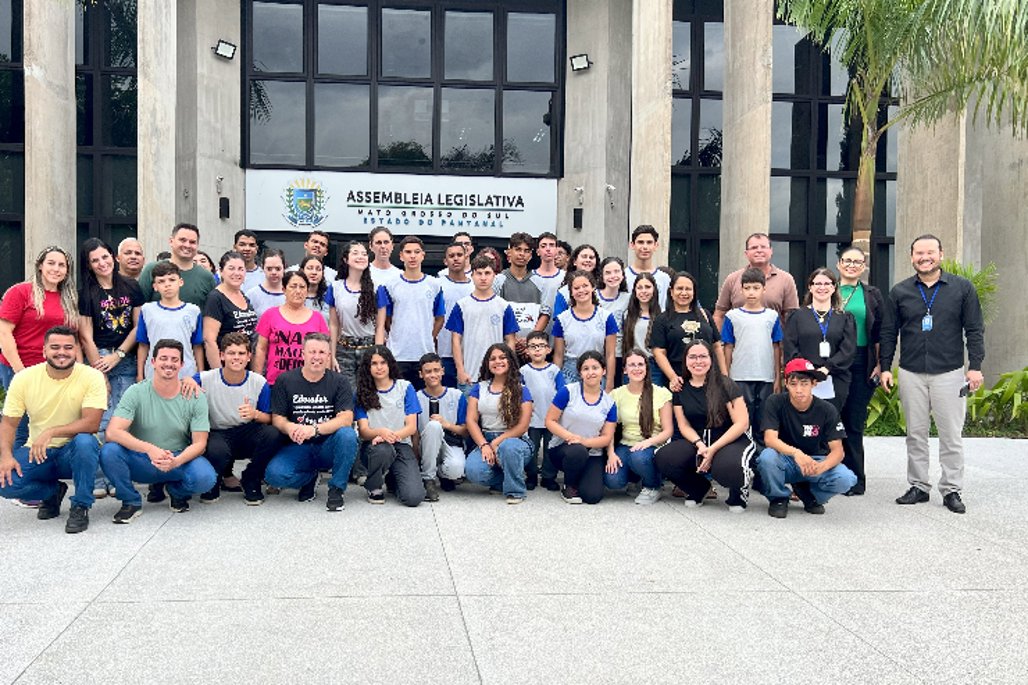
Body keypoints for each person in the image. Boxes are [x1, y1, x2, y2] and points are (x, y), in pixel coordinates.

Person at [880, 234, 985, 514]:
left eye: (930, 252)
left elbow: (974, 330)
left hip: (950, 372)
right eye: (919, 253)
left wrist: (975, 366)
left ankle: (952, 489)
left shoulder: (962, 289)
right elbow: (889, 332)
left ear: (941, 254)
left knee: (951, 435)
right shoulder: (900, 292)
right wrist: (886, 367)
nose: (924, 258)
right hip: (911, 371)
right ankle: (918, 486)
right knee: (915, 434)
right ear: (911, 256)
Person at [0, 327, 106, 533]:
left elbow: (92, 423)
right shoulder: (24, 378)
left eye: (68, 347)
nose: (62, 352)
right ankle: (52, 492)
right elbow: (9, 423)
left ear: (77, 350)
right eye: (55, 347)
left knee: (86, 441)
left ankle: (81, 505)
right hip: (38, 451)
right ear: (44, 351)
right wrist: (5, 456)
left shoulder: (92, 376)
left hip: (74, 453)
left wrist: (51, 432)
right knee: (6, 483)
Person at [100, 338, 216, 522]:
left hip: (177, 457)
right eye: (163, 358)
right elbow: (113, 432)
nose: (168, 363)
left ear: (181, 364)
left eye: (174, 359)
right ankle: (131, 501)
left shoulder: (195, 395)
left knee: (205, 478)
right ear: (153, 362)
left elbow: (200, 444)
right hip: (143, 458)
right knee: (109, 452)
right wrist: (150, 449)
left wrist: (176, 462)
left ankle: (176, 492)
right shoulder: (136, 392)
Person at [77, 237, 144, 498]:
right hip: (98, 358)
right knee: (100, 422)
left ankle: (119, 478)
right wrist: (98, 371)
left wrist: (119, 354)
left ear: (113, 257)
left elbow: (139, 326)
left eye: (104, 257)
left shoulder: (131, 286)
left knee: (121, 421)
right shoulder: (86, 293)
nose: (102, 263)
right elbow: (85, 334)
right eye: (95, 260)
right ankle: (98, 480)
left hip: (124, 357)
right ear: (89, 265)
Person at [655, 340, 756, 511]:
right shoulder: (681, 388)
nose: (698, 361)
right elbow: (684, 425)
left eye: (703, 356)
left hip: (731, 440)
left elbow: (742, 423)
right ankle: (699, 489)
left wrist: (713, 449)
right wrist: (700, 445)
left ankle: (739, 492)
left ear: (711, 359)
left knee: (726, 468)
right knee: (664, 458)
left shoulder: (725, 384)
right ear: (685, 361)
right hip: (700, 441)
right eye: (692, 357)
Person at [265, 333, 359, 511]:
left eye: (322, 352)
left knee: (347, 434)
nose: (317, 357)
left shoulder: (339, 382)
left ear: (329, 356)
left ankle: (337, 489)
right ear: (302, 354)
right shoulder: (285, 380)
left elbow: (346, 418)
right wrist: (289, 426)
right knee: (274, 476)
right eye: (312, 352)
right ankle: (310, 478)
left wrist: (314, 429)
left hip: (328, 446)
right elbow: (277, 418)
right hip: (297, 446)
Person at [0, 246, 79, 450]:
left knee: (48, 426)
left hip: (54, 372)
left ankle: (42, 478)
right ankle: (15, 477)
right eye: (51, 263)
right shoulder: (21, 292)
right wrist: (20, 371)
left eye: (62, 265)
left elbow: (73, 339)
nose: (56, 269)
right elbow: (4, 332)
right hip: (20, 367)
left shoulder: (69, 298)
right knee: (21, 425)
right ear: (40, 266)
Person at [755, 358, 856, 518]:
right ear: (786, 384)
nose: (799, 389)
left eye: (804, 383)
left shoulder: (827, 409)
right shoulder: (775, 402)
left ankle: (810, 495)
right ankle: (779, 498)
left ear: (814, 384)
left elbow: (838, 452)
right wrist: (796, 454)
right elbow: (770, 439)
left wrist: (820, 468)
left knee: (847, 479)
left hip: (815, 460)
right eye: (793, 384)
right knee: (767, 457)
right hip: (786, 460)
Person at [195, 332, 282, 505]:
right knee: (216, 450)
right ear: (222, 356)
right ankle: (214, 480)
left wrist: (254, 414)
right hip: (218, 431)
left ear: (249, 357)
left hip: (246, 430)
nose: (236, 357)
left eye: (241, 353)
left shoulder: (259, 382)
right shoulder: (205, 378)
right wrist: (188, 382)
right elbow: (180, 384)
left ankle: (251, 477)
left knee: (273, 433)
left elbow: (269, 418)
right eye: (231, 353)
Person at [835, 246, 885, 496]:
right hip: (832, 362)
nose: (852, 265)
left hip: (861, 360)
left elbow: (879, 332)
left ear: (863, 266)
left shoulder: (872, 294)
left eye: (857, 262)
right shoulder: (827, 289)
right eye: (847, 260)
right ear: (838, 264)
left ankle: (856, 479)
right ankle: (830, 475)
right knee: (831, 419)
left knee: (853, 422)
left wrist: (880, 363)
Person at [353, 345, 425, 506]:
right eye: (374, 363)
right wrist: (381, 432)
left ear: (390, 364)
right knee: (383, 450)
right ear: (367, 367)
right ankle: (374, 486)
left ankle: (393, 478)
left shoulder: (405, 387)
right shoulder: (361, 392)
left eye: (383, 362)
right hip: (374, 447)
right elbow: (364, 431)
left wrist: (391, 436)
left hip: (401, 444)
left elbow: (411, 427)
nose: (379, 367)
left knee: (414, 498)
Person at [720, 268, 783, 445]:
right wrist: (726, 376)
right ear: (741, 290)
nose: (751, 292)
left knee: (763, 417)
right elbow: (728, 346)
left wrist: (778, 377)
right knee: (743, 418)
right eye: (747, 288)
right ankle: (742, 452)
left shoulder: (772, 316)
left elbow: (776, 346)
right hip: (739, 376)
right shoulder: (732, 316)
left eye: (756, 288)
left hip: (765, 376)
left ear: (764, 289)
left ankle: (762, 454)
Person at [464, 344, 534, 504]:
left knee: (508, 448)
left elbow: (522, 426)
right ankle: (507, 477)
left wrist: (496, 443)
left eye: (502, 357)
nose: (498, 361)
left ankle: (515, 491)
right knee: (473, 471)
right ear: (487, 363)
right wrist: (484, 445)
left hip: (516, 441)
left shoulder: (521, 390)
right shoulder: (479, 388)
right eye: (493, 358)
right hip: (486, 439)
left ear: (510, 361)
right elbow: (471, 421)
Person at [545, 351, 617, 504]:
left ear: (603, 371)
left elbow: (606, 438)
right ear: (580, 372)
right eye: (586, 369)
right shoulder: (568, 392)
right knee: (577, 452)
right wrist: (571, 438)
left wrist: (582, 441)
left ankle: (581, 478)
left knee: (592, 496)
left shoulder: (609, 403)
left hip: (592, 452)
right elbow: (550, 421)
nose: (590, 372)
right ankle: (569, 485)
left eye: (595, 368)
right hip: (563, 449)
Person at [782, 268, 856, 412]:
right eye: (817, 284)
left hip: (835, 377)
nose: (822, 288)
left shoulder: (845, 318)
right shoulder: (796, 316)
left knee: (830, 421)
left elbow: (848, 349)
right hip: (803, 379)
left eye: (827, 284)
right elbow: (790, 347)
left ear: (834, 287)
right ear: (810, 287)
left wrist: (827, 368)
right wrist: (809, 372)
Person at [375, 236, 445, 389]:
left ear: (423, 255)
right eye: (408, 252)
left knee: (424, 402)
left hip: (425, 354)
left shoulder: (434, 285)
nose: (412, 256)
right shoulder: (389, 285)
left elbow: (439, 318)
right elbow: (386, 319)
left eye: (416, 252)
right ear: (401, 256)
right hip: (398, 354)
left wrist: (428, 335)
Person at [606, 349, 673, 505]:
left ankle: (653, 486)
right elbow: (608, 429)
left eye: (640, 364)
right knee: (612, 481)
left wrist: (647, 443)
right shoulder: (616, 394)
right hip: (626, 444)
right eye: (632, 365)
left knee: (639, 458)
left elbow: (668, 430)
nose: (636, 368)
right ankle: (635, 478)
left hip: (652, 444)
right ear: (625, 370)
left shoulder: (661, 393)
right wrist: (611, 454)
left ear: (646, 368)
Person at [446, 255, 519, 389]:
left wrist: (507, 370)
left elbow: (510, 340)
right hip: (469, 377)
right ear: (472, 275)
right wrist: (461, 371)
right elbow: (455, 340)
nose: (483, 277)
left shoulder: (503, 306)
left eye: (487, 273)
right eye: (479, 273)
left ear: (494, 276)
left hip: (497, 378)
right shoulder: (462, 305)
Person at [651, 271, 725, 392]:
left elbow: (716, 346)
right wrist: (673, 377)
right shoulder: (662, 319)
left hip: (707, 380)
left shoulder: (704, 314)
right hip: (679, 381)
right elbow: (658, 352)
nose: (684, 293)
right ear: (671, 291)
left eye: (688, 289)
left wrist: (724, 376)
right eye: (679, 288)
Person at [253, 270, 329, 386]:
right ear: (284, 289)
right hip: (276, 382)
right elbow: (261, 349)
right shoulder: (270, 315)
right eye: (293, 286)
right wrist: (257, 381)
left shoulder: (318, 318)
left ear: (307, 290)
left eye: (302, 287)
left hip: (309, 384)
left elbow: (326, 352)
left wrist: (325, 382)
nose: (298, 291)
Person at [713, 232, 799, 331]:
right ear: (746, 253)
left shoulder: (786, 279)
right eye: (754, 248)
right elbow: (719, 315)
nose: (759, 251)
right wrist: (719, 343)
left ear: (771, 251)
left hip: (773, 344)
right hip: (738, 343)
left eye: (763, 247)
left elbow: (792, 317)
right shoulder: (733, 279)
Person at [136, 261, 204, 381]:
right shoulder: (147, 310)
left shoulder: (193, 311)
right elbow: (143, 345)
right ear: (155, 287)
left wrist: (200, 374)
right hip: (154, 373)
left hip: (186, 373)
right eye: (161, 281)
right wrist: (140, 374)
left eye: (172, 280)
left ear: (180, 282)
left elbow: (197, 346)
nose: (167, 285)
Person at [552, 270, 619, 389]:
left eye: (585, 286)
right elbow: (558, 355)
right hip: (570, 371)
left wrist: (609, 384)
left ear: (593, 287)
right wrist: (556, 383)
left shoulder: (606, 317)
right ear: (571, 292)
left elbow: (610, 354)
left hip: (597, 370)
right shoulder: (562, 319)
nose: (581, 291)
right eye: (577, 288)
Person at [415, 353, 468, 498]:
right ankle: (428, 478)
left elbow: (465, 430)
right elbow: (414, 432)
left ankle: (442, 473)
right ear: (421, 374)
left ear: (443, 371)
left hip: (450, 442)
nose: (433, 375)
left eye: (436, 370)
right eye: (428, 371)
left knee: (456, 469)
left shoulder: (456, 395)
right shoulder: (416, 397)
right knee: (433, 426)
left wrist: (447, 424)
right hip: (426, 446)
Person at [328, 241, 378, 389]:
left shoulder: (377, 287)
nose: (361, 257)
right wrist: (332, 354)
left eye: (364, 254)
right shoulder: (335, 287)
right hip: (344, 348)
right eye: (355, 253)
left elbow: (380, 326)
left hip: (369, 347)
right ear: (345, 259)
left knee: (368, 394)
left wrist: (378, 354)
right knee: (346, 394)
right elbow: (334, 324)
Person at [492, 233, 550, 358]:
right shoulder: (498, 280)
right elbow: (494, 313)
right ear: (509, 252)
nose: (521, 254)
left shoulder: (540, 282)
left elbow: (545, 314)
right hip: (505, 348)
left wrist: (530, 340)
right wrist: (513, 339)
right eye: (518, 249)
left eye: (526, 251)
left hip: (532, 351)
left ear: (530, 255)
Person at [521, 330, 565, 491]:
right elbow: (520, 392)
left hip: (551, 419)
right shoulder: (524, 371)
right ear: (527, 351)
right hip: (532, 418)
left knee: (549, 448)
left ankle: (548, 477)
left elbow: (561, 392)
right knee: (531, 449)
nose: (537, 350)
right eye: (533, 346)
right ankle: (531, 475)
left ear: (548, 349)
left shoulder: (554, 370)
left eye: (541, 346)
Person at [202, 251, 259, 369]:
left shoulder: (244, 296)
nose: (236, 273)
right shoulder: (216, 298)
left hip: (243, 366)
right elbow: (209, 340)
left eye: (240, 269)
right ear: (221, 271)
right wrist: (218, 375)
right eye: (231, 268)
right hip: (225, 366)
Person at [138, 224, 216, 307]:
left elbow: (212, 313)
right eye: (182, 240)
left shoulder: (207, 277)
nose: (187, 245)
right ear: (171, 241)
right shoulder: (151, 270)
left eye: (192, 242)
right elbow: (139, 307)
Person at [436, 242, 474, 387]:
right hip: (443, 353)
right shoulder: (437, 284)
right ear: (445, 261)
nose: (456, 259)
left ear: (466, 257)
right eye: (451, 256)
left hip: (470, 353)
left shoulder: (475, 286)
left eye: (459, 255)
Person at [621, 271, 663, 385]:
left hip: (654, 366)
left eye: (648, 287)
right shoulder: (627, 315)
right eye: (640, 287)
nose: (644, 291)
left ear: (654, 289)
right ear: (634, 291)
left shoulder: (662, 317)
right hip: (632, 363)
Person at [597, 256, 630, 381]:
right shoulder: (593, 296)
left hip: (620, 354)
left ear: (623, 274)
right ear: (602, 276)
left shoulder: (629, 298)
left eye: (617, 271)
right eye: (608, 273)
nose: (613, 276)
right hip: (598, 353)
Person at [624, 225, 673, 310]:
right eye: (640, 242)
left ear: (656, 245)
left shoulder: (665, 279)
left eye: (649, 242)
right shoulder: (623, 276)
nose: (645, 247)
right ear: (632, 245)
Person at [551, 244, 602, 318]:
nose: (588, 260)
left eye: (591, 258)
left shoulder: (602, 288)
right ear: (574, 261)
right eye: (584, 257)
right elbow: (559, 321)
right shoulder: (564, 292)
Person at [530, 232, 565, 331]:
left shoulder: (566, 277)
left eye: (551, 245)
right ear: (538, 251)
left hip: (557, 331)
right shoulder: (530, 277)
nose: (548, 249)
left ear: (557, 250)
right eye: (543, 246)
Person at [245, 249, 286, 319]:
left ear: (284, 267)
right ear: (262, 268)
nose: (274, 272)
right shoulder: (251, 295)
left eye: (278, 269)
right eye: (269, 269)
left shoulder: (291, 293)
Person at [300, 255, 331, 325]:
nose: (314, 272)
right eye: (310, 268)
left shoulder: (329, 296)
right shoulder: (294, 295)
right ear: (302, 270)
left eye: (318, 269)